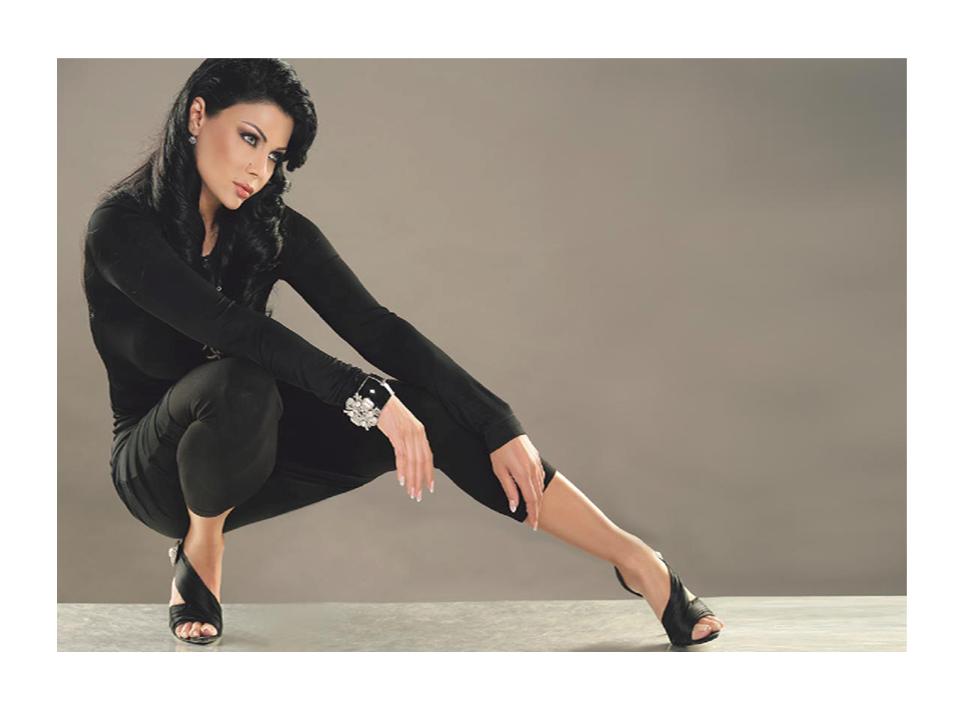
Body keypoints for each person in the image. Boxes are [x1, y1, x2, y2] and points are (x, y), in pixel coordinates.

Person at [80, 58, 725, 647]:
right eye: (249, 139)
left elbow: (377, 328)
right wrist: (364, 395)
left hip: (258, 453)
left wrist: (498, 421)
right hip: (156, 471)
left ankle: (637, 561)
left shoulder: (268, 230)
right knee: (239, 378)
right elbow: (234, 328)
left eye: (275, 155)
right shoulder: (122, 228)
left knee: (430, 411)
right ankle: (201, 546)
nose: (259, 169)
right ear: (198, 116)